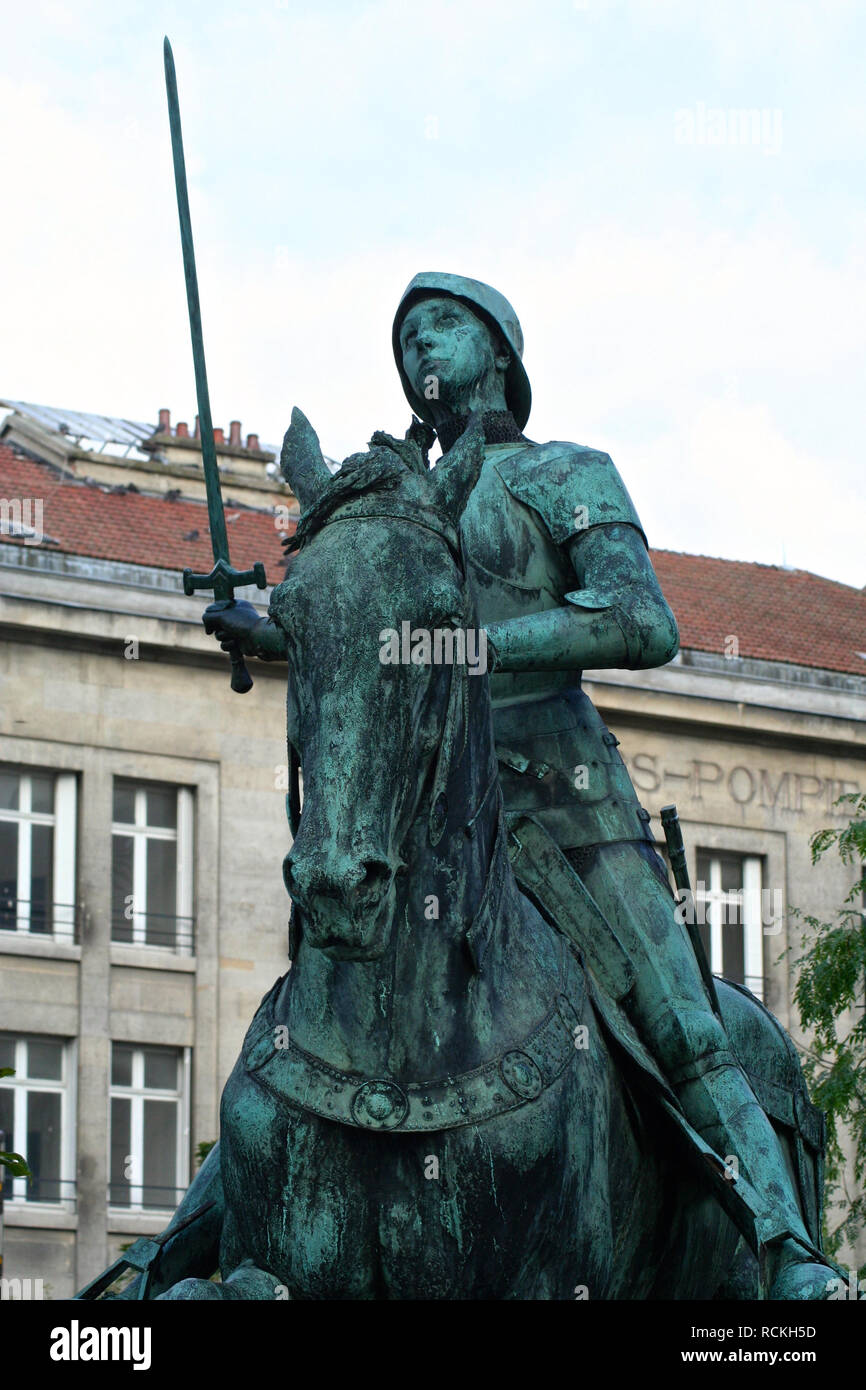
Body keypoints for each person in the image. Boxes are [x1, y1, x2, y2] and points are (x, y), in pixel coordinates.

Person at [204, 271, 836, 1298]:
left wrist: (473, 646)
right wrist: (274, 631)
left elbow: (642, 621)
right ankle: (188, 1238)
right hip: (418, 820)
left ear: (499, 349)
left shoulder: (562, 473)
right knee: (295, 1028)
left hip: (562, 805)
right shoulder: (395, 497)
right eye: (405, 339)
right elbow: (376, 634)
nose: (421, 352)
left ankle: (782, 1250)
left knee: (676, 1015)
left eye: (441, 326)